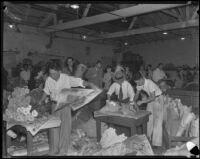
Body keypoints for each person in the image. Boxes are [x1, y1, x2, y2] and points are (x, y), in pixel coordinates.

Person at [38, 61, 98, 156]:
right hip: (54, 105)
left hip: (65, 105)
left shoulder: (66, 78)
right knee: (54, 127)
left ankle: (63, 151)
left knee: (65, 128)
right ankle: (54, 150)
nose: (52, 75)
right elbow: (46, 91)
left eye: (54, 73)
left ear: (59, 71)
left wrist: (90, 84)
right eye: (50, 73)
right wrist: (40, 101)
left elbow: (80, 82)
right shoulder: (49, 80)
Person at [133, 72, 163, 147]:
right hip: (151, 98)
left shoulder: (149, 83)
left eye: (138, 82)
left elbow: (153, 97)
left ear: (141, 78)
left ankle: (156, 144)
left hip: (158, 98)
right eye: (136, 83)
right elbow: (136, 95)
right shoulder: (139, 83)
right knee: (148, 118)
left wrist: (142, 101)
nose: (138, 84)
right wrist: (133, 101)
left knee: (157, 121)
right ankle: (148, 138)